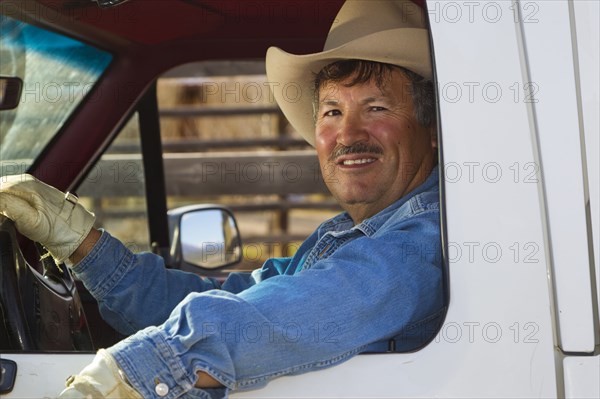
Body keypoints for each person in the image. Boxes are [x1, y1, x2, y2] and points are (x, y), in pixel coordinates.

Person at [0, 1, 444, 398]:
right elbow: (242, 302)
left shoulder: (423, 240)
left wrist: (133, 374)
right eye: (332, 111)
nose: (348, 135)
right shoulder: (344, 236)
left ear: (433, 130)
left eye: (377, 108)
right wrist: (83, 243)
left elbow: (301, 311)